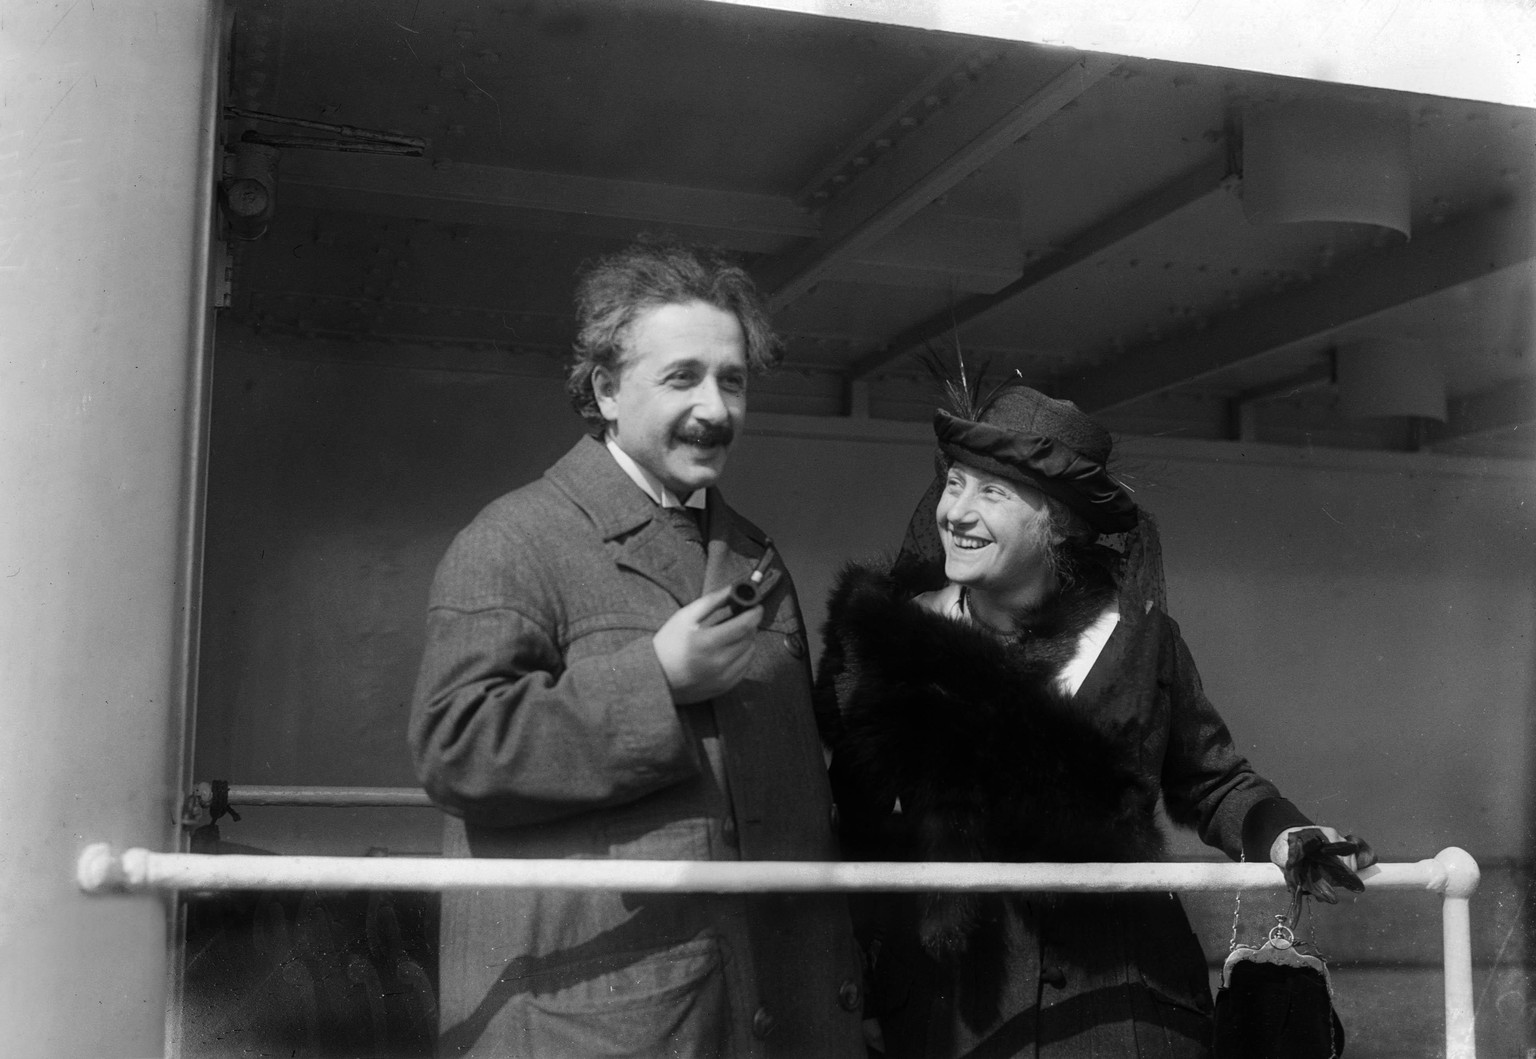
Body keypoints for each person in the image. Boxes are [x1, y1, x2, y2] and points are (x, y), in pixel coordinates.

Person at [813, 375, 1374, 1059]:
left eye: (991, 492)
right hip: (954, 1018)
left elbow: (1216, 782)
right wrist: (871, 984)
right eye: (954, 483)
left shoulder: (1139, 642)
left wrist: (1288, 834)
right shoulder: (892, 643)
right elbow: (858, 830)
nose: (956, 511)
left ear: (1058, 525)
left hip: (1127, 1012)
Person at [410, 242, 866, 1059]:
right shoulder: (516, 539)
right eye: (682, 377)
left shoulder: (755, 553)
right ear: (606, 390)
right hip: (607, 1021)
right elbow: (455, 745)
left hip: (767, 1008)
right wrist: (656, 678)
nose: (716, 407)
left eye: (732, 379)